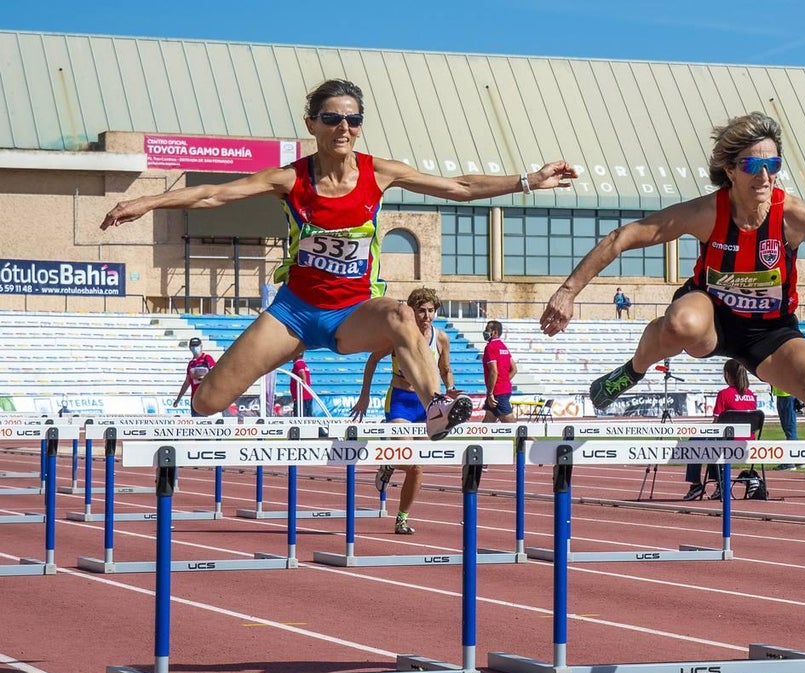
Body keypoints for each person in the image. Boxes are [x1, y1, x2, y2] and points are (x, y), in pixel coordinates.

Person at [102, 78, 576, 440]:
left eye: (353, 119)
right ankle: (268, 363)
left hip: (353, 312)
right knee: (208, 401)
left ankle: (436, 406)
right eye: (331, 118)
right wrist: (147, 202)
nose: (343, 128)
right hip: (294, 313)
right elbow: (214, 194)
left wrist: (529, 181)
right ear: (312, 124)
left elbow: (460, 187)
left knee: (401, 313)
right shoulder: (290, 179)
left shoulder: (379, 172)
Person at [539, 111, 805, 525]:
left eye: (773, 164)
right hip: (712, 314)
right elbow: (622, 237)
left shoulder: (792, 215)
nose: (765, 175)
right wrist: (568, 292)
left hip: (769, 331)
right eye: (754, 165)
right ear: (730, 170)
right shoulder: (706, 213)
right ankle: (632, 370)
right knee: (682, 324)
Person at [351, 287, 458, 534]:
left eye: (431, 311)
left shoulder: (441, 338)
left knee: (418, 465)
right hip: (400, 401)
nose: (426, 316)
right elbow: (372, 360)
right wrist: (364, 396)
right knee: (408, 459)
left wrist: (450, 388)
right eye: (421, 311)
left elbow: (445, 369)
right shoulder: (398, 336)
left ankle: (402, 518)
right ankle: (389, 463)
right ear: (412, 311)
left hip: (426, 404)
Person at [684, 359, 758, 501]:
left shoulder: (724, 394)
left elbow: (716, 425)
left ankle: (696, 484)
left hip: (728, 441)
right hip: (748, 442)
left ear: (727, 374)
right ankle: (720, 483)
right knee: (714, 442)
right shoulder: (751, 395)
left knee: (695, 441)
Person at [482, 320, 518, 423]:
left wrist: (490, 393)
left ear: (495, 332)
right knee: (487, 423)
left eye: (487, 330)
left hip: (497, 393)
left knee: (512, 426)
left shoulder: (490, 347)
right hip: (504, 389)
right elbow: (514, 369)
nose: (484, 332)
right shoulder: (503, 347)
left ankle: (528, 436)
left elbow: (494, 371)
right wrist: (504, 381)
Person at [174, 337, 215, 417]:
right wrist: (178, 399)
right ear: (190, 348)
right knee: (196, 420)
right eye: (193, 346)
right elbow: (187, 383)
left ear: (201, 346)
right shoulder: (191, 363)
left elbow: (215, 374)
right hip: (195, 398)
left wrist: (202, 377)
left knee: (204, 421)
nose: (195, 348)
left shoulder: (207, 358)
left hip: (205, 396)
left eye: (197, 345)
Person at [771, 384, 805, 471]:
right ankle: (798, 458)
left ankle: (790, 462)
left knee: (789, 429)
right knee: (790, 428)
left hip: (786, 395)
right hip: (785, 394)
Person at [290, 352, 314, 417]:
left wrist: (304, 381)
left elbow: (302, 372)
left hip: (301, 397)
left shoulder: (298, 363)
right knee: (308, 417)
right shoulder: (304, 364)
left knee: (300, 417)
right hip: (306, 395)